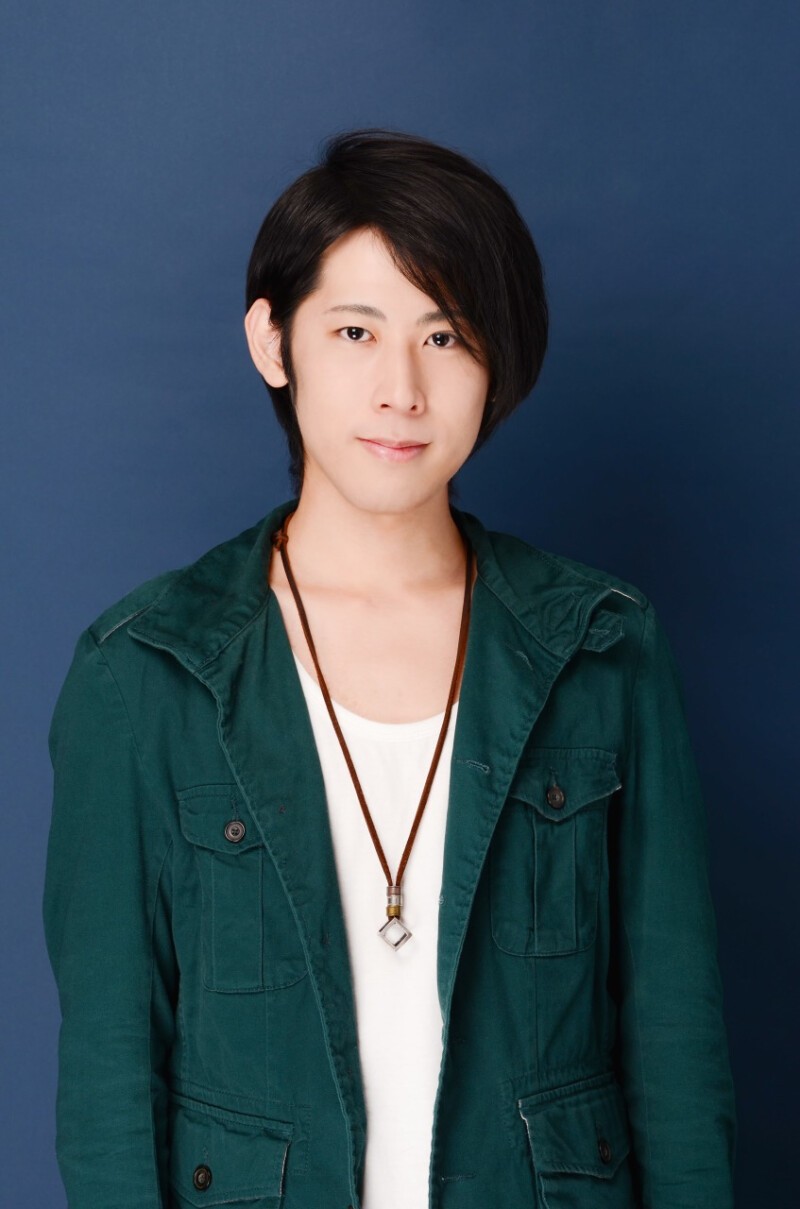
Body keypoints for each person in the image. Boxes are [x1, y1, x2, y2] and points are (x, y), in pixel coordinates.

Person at [42, 127, 736, 1209]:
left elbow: (675, 1050)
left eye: (445, 335)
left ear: (497, 361)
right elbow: (109, 1082)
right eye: (356, 331)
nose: (401, 389)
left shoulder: (602, 648)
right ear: (273, 342)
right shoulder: (142, 670)